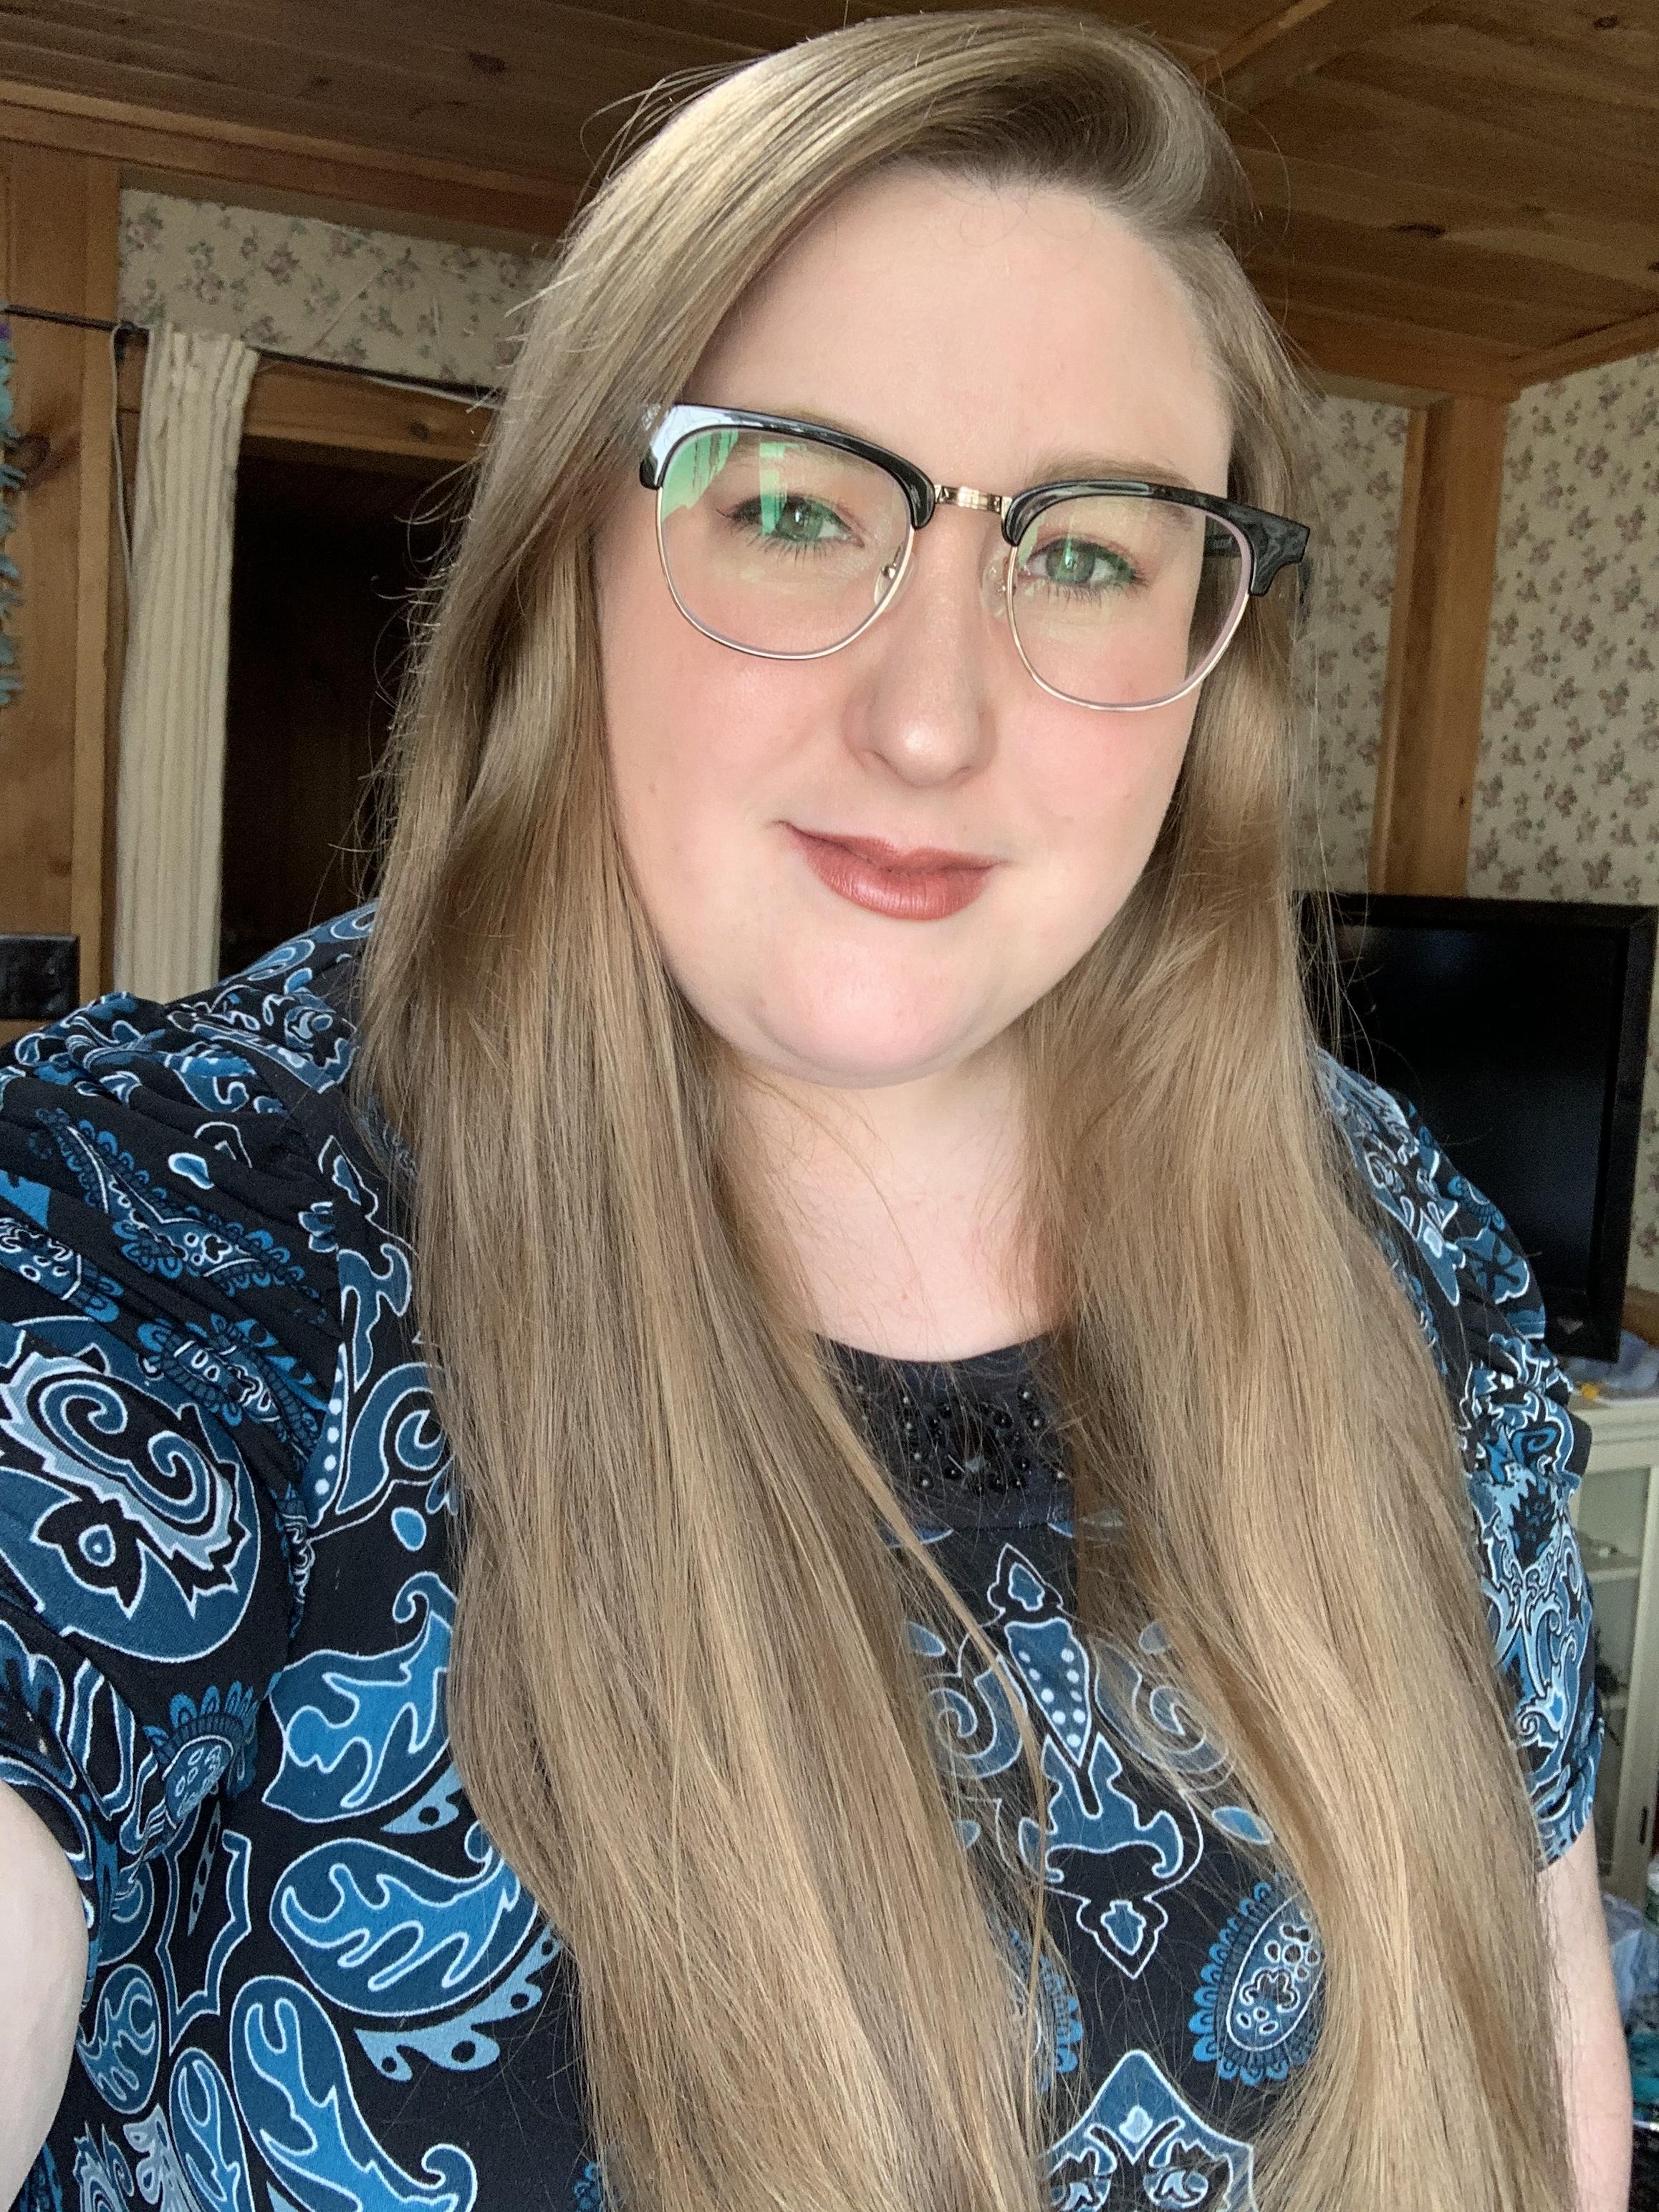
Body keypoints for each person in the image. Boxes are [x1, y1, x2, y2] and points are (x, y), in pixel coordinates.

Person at [0, 11, 1631, 2211]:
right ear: (570, 560)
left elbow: (1536, 2042)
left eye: (1084, 552)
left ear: (1209, 658)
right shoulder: (167, 1226)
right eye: (788, 504)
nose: (931, 720)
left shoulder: (1392, 1234)